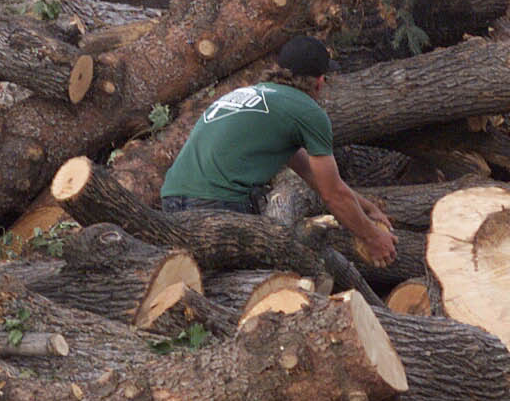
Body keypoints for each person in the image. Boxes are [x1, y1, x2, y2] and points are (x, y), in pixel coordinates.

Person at [160, 35, 397, 267]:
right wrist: (373, 238)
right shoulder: (308, 111)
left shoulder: (252, 95)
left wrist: (368, 208)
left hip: (170, 199)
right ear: (319, 81)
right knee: (283, 270)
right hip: (217, 205)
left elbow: (312, 175)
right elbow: (332, 194)